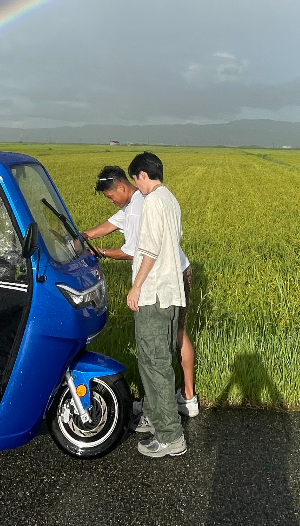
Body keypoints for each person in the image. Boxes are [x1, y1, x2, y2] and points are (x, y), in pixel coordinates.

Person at [83, 165, 198, 418]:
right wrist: (82, 236)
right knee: (175, 333)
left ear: (123, 186)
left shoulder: (138, 207)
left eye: (111, 196)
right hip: (177, 269)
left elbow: (136, 251)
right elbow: (110, 225)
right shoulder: (135, 202)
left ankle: (167, 406)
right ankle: (185, 398)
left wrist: (101, 253)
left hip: (168, 275)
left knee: (166, 339)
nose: (111, 201)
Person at [125, 151, 187, 458]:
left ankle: (170, 437)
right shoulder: (170, 199)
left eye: (135, 179)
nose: (136, 186)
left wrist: (136, 287)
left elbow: (149, 249)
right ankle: (153, 414)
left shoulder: (151, 203)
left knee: (153, 364)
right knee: (160, 362)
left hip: (154, 294)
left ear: (142, 175)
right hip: (171, 293)